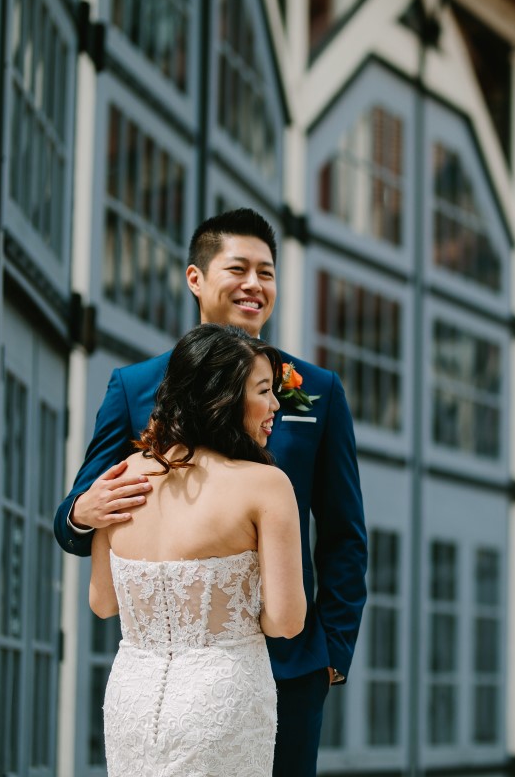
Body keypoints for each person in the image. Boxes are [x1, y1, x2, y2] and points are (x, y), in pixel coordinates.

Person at [56, 208, 366, 776]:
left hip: (292, 667)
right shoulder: (135, 386)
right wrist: (80, 514)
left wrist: (332, 655)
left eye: (267, 273)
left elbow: (345, 533)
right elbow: (86, 505)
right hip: (167, 672)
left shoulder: (316, 390)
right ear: (195, 279)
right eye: (239, 268)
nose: (255, 285)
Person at [91, 324, 304, 776]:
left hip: (132, 698)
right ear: (222, 395)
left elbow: (103, 602)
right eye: (264, 391)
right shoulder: (265, 485)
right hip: (223, 699)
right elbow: (286, 621)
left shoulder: (119, 477)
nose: (275, 405)